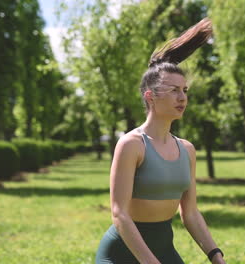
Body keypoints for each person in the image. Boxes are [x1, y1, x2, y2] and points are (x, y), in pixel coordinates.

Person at [95, 18, 226, 264]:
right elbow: (119, 213)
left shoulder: (187, 150)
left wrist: (215, 254)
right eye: (174, 90)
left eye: (185, 90)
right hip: (121, 255)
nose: (182, 97)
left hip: (164, 250)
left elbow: (190, 213)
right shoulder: (132, 144)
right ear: (150, 96)